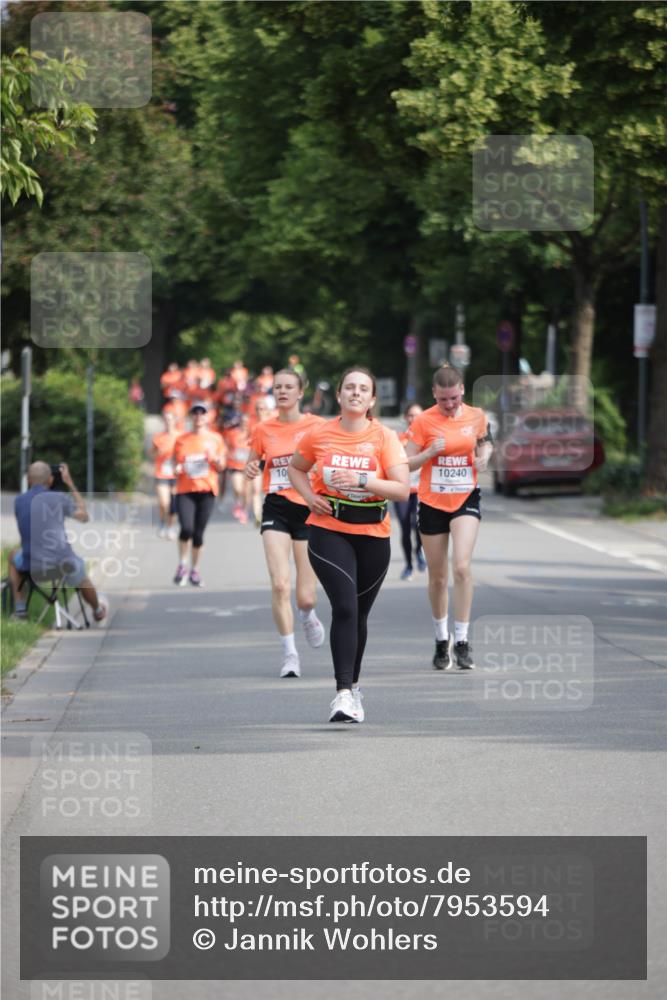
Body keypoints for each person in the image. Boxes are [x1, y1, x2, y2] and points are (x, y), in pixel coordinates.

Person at [289, 367, 409, 723]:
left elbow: (402, 490)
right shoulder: (319, 434)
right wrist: (309, 496)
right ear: (339, 395)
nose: (356, 393)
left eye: (363, 389)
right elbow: (296, 469)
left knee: (359, 614)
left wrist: (362, 479)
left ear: (372, 399)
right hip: (328, 529)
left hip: (373, 534)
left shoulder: (384, 437)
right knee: (343, 606)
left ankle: (354, 688)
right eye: (349, 388)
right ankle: (341, 693)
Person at [405, 365, 493, 671]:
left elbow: (485, 441)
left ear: (462, 391)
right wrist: (429, 453)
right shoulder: (423, 421)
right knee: (438, 576)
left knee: (462, 566)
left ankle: (463, 640)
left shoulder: (476, 416)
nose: (450, 405)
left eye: (454, 398)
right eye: (444, 400)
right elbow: (405, 463)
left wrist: (485, 456)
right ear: (434, 395)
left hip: (465, 497)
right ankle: (441, 640)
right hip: (432, 502)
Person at [245, 369, 326, 678]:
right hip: (276, 507)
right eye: (277, 387)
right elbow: (251, 463)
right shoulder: (263, 428)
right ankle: (289, 654)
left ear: (300, 392)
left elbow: (330, 456)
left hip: (308, 507)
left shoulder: (316, 426)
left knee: (305, 595)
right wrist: (251, 467)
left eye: (288, 387)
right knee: (280, 584)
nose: (282, 392)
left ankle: (307, 614)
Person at [7, 461, 107, 622]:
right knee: (81, 572)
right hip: (62, 566)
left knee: (12, 555)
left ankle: (20, 611)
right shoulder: (59, 498)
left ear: (28, 480)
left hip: (32, 566)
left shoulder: (19, 501)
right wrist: (70, 483)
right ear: (51, 480)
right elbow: (84, 517)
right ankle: (97, 610)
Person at [172, 402, 226, 586]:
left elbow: (221, 466)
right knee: (186, 528)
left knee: (198, 534)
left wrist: (214, 458)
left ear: (207, 417)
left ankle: (195, 570)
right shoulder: (181, 440)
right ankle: (182, 564)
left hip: (207, 490)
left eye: (202, 413)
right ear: (190, 417)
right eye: (195, 413)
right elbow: (175, 466)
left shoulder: (215, 439)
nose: (198, 416)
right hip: (185, 490)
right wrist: (178, 468)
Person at [395, 403, 426, 580]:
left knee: (419, 524)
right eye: (411, 415)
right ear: (406, 418)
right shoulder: (399, 439)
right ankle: (408, 565)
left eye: (418, 415)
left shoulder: (428, 439)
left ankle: (419, 550)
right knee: (405, 527)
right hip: (402, 490)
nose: (414, 419)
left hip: (422, 490)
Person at [151, 411, 179, 539]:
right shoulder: (158, 437)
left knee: (173, 504)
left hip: (176, 474)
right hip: (161, 473)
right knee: (164, 502)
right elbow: (151, 454)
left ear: (174, 421)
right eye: (166, 419)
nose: (168, 422)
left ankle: (170, 526)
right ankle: (162, 522)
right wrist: (158, 452)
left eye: (170, 419)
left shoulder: (180, 436)